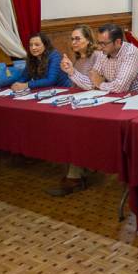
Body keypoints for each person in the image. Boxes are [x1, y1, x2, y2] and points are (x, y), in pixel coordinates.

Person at [45, 24, 98, 197]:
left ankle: (75, 176)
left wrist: (71, 71)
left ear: (88, 40)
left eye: (77, 39)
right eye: (72, 39)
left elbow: (92, 85)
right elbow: (75, 85)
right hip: (80, 103)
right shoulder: (79, 59)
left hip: (94, 104)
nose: (73, 42)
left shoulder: (96, 57)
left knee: (73, 130)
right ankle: (75, 170)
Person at [61, 23, 138, 94]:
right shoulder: (103, 54)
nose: (99, 47)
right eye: (99, 43)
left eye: (103, 44)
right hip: (114, 98)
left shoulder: (131, 53)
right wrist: (71, 71)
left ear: (117, 42)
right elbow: (92, 84)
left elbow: (120, 87)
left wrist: (100, 84)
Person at [6, 32, 71, 90]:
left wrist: (27, 85)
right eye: (31, 45)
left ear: (45, 45)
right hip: (45, 91)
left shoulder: (55, 56)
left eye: (37, 45)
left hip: (63, 90)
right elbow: (25, 76)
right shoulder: (32, 58)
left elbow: (51, 80)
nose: (33, 48)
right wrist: (17, 84)